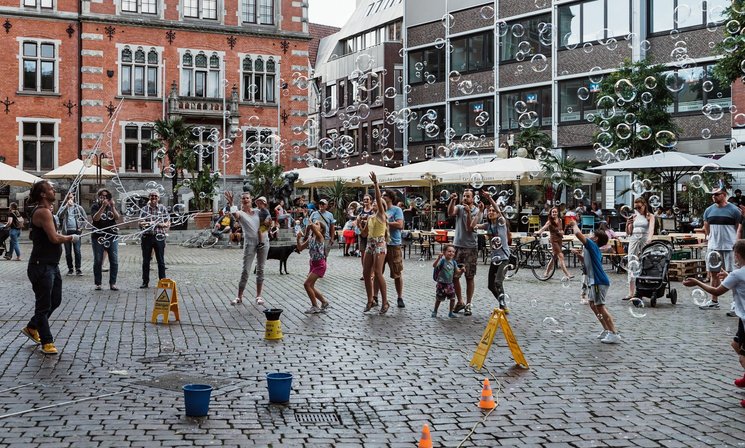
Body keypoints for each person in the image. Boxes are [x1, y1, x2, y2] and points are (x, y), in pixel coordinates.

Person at [683, 239, 745, 407]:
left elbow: (716, 291)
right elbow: (737, 282)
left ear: (737, 255)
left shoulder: (737, 274)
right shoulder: (738, 274)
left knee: (744, 357)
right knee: (735, 344)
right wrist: (727, 275)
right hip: (742, 317)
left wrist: (696, 282)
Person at [21, 180, 79, 355]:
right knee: (44, 305)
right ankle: (47, 342)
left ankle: (32, 327)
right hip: (41, 266)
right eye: (51, 189)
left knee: (56, 301)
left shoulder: (47, 213)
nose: (54, 190)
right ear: (43, 195)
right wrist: (70, 238)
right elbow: (54, 238)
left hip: (51, 265)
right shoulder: (43, 212)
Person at [571, 221, 620, 344]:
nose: (589, 235)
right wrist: (579, 256)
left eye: (592, 234)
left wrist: (574, 224)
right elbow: (587, 264)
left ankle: (613, 333)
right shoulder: (592, 249)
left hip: (599, 281)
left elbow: (577, 234)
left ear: (596, 238)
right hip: (594, 281)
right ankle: (606, 329)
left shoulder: (592, 245)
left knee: (600, 306)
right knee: (593, 305)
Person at [700, 187, 741, 310]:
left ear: (724, 195)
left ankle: (735, 303)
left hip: (729, 246)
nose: (714, 197)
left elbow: (738, 227)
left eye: (717, 194)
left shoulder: (734, 210)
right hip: (714, 246)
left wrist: (736, 243)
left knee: (733, 274)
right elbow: (706, 226)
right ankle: (714, 301)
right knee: (714, 274)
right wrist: (710, 238)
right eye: (712, 195)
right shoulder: (708, 210)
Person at [226, 190, 269, 306]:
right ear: (241, 201)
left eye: (247, 198)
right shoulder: (240, 213)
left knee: (261, 269)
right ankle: (239, 296)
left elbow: (269, 223)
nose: (245, 200)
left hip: (263, 242)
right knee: (245, 270)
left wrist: (262, 233)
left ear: (251, 200)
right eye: (243, 198)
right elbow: (235, 215)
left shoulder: (258, 211)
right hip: (250, 243)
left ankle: (259, 296)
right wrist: (231, 203)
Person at [448, 189, 482, 316]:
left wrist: (468, 213)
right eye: (464, 196)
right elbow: (451, 212)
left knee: (469, 277)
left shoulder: (477, 211)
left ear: (472, 199)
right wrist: (452, 200)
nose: (465, 198)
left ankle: (468, 304)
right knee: (454, 276)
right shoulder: (459, 207)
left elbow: (470, 228)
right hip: (457, 246)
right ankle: (460, 301)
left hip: (470, 247)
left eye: (468, 196)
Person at [479, 191, 512, 314]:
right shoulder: (488, 226)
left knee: (498, 282)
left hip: (504, 258)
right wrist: (479, 211)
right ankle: (502, 303)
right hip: (495, 258)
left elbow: (499, 210)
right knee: (490, 285)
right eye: (490, 211)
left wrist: (489, 198)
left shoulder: (501, 223)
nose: (491, 212)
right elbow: (472, 226)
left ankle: (503, 306)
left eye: (493, 211)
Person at [363, 172, 389, 314]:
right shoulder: (370, 217)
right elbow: (364, 233)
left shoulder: (381, 215)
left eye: (376, 203)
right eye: (372, 203)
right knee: (366, 273)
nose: (374, 203)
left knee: (378, 273)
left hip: (379, 244)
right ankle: (370, 300)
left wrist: (375, 184)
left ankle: (385, 302)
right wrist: (359, 225)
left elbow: (378, 199)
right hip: (369, 244)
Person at [296, 220, 330, 314]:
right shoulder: (311, 238)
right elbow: (300, 248)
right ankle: (324, 302)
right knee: (310, 286)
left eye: (317, 224)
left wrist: (310, 223)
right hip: (313, 263)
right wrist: (298, 238)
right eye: (315, 223)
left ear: (321, 229)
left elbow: (311, 226)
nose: (314, 225)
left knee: (307, 284)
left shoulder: (320, 237)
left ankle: (315, 306)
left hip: (320, 265)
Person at [625, 197, 655, 300]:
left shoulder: (650, 216)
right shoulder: (634, 216)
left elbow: (651, 229)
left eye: (639, 207)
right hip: (634, 239)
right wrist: (628, 224)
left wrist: (649, 240)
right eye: (635, 207)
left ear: (644, 205)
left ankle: (642, 290)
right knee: (631, 263)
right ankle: (631, 292)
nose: (637, 209)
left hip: (644, 239)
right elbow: (628, 232)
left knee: (644, 263)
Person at [138, 191, 170, 289]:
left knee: (161, 260)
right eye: (152, 196)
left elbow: (167, 222)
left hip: (159, 236)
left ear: (158, 198)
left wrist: (157, 224)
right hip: (147, 236)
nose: (154, 198)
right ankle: (145, 281)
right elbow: (140, 222)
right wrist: (148, 223)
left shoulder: (163, 208)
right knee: (146, 260)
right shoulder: (144, 209)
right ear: (149, 198)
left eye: (156, 196)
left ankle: (162, 281)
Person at [91, 188, 120, 291]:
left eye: (106, 196)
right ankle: (98, 283)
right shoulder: (95, 206)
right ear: (99, 197)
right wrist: (103, 207)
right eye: (102, 196)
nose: (104, 198)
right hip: (98, 236)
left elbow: (117, 217)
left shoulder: (111, 206)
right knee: (98, 260)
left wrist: (112, 206)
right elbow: (96, 218)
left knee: (114, 260)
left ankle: (113, 283)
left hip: (112, 236)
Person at [382, 188, 406, 308]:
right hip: (381, 244)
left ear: (390, 198)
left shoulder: (396, 210)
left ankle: (399, 297)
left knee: (396, 272)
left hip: (393, 244)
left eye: (385, 196)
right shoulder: (380, 210)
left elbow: (400, 225)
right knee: (378, 272)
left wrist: (386, 223)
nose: (383, 197)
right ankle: (376, 297)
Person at [535, 207, 572, 279]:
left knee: (554, 257)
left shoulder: (560, 220)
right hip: (554, 240)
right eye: (553, 212)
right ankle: (567, 274)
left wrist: (562, 232)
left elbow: (561, 230)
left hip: (559, 239)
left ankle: (546, 272)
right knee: (561, 256)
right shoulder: (549, 221)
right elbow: (544, 228)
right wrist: (538, 232)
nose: (554, 213)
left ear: (557, 213)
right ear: (551, 213)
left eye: (555, 212)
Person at [58, 193, 86, 275]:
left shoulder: (78, 208)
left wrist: (81, 227)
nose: (70, 199)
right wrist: (66, 206)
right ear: (66, 199)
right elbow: (60, 215)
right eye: (68, 198)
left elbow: (85, 218)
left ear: (74, 198)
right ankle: (70, 268)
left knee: (77, 251)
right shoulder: (64, 208)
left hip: (76, 231)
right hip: (66, 232)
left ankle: (78, 268)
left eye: (71, 197)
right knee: (68, 252)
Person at [432, 244, 463, 318]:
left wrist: (462, 270)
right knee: (439, 299)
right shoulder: (442, 261)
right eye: (449, 251)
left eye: (453, 252)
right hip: (441, 284)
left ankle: (450, 312)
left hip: (450, 284)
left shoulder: (454, 262)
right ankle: (435, 311)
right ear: (444, 252)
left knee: (452, 299)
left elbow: (457, 272)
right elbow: (434, 265)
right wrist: (438, 258)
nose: (451, 253)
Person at [356, 194, 375, 277]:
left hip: (371, 235)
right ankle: (365, 272)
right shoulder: (360, 210)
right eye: (364, 199)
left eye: (367, 199)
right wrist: (359, 223)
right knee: (363, 253)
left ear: (370, 200)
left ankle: (371, 273)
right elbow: (357, 221)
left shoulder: (373, 210)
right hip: (362, 234)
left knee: (370, 254)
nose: (365, 201)